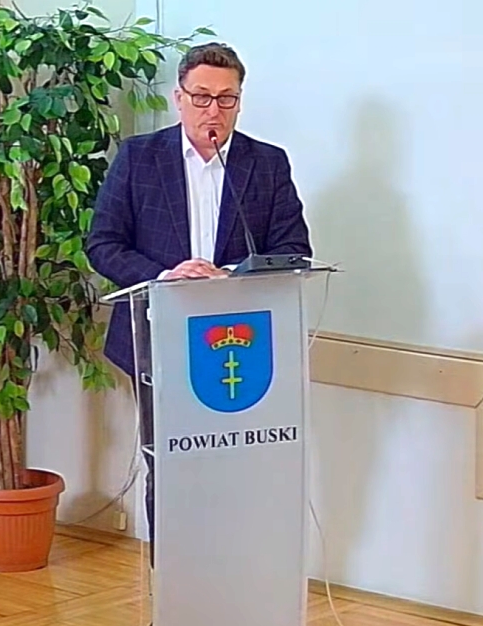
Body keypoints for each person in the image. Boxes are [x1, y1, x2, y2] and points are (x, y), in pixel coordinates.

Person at [85, 42, 313, 565]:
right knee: (171, 463)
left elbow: (294, 250)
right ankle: (173, 579)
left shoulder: (266, 164)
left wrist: (231, 276)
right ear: (179, 98)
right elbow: (103, 244)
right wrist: (165, 276)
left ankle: (233, 573)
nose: (214, 110)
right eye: (202, 97)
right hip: (157, 339)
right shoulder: (140, 158)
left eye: (226, 99)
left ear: (240, 101)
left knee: (234, 466)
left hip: (242, 348)